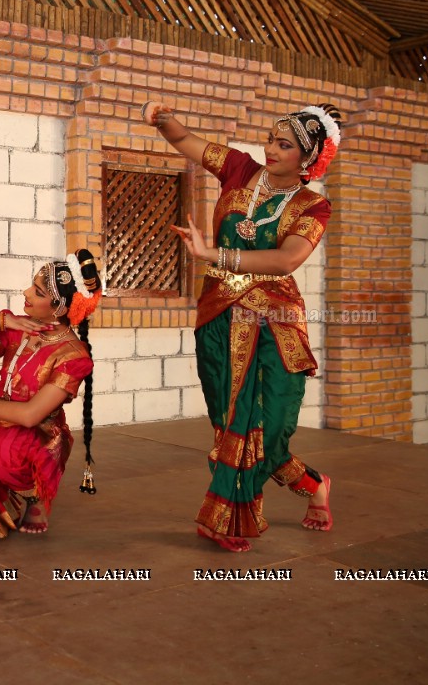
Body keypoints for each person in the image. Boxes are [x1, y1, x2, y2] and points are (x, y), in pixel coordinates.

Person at [145, 100, 338, 552]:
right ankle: (254, 508)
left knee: (270, 428)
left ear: (307, 159)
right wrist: (164, 117)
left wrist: (214, 255)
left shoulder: (314, 205)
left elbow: (288, 258)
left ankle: (296, 489)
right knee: (229, 423)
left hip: (275, 321)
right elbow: (184, 141)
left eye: (284, 145)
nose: (271, 148)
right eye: (272, 138)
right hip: (219, 313)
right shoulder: (238, 168)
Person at [0, 251, 102, 541]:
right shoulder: (19, 329)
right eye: (31, 286)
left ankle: (34, 494)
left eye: (37, 292)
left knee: (0, 453)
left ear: (59, 308)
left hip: (39, 436)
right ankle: (9, 495)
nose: (25, 293)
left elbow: (30, 416)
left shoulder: (74, 356)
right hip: (1, 427)